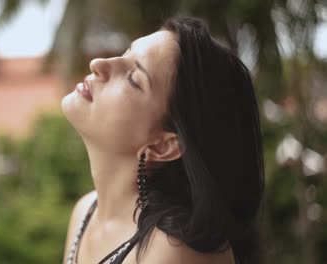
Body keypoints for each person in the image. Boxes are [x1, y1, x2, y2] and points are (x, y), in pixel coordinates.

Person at [61, 16, 265, 264]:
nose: (99, 63)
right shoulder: (85, 211)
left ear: (162, 145)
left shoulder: (177, 251)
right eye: (126, 52)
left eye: (134, 79)